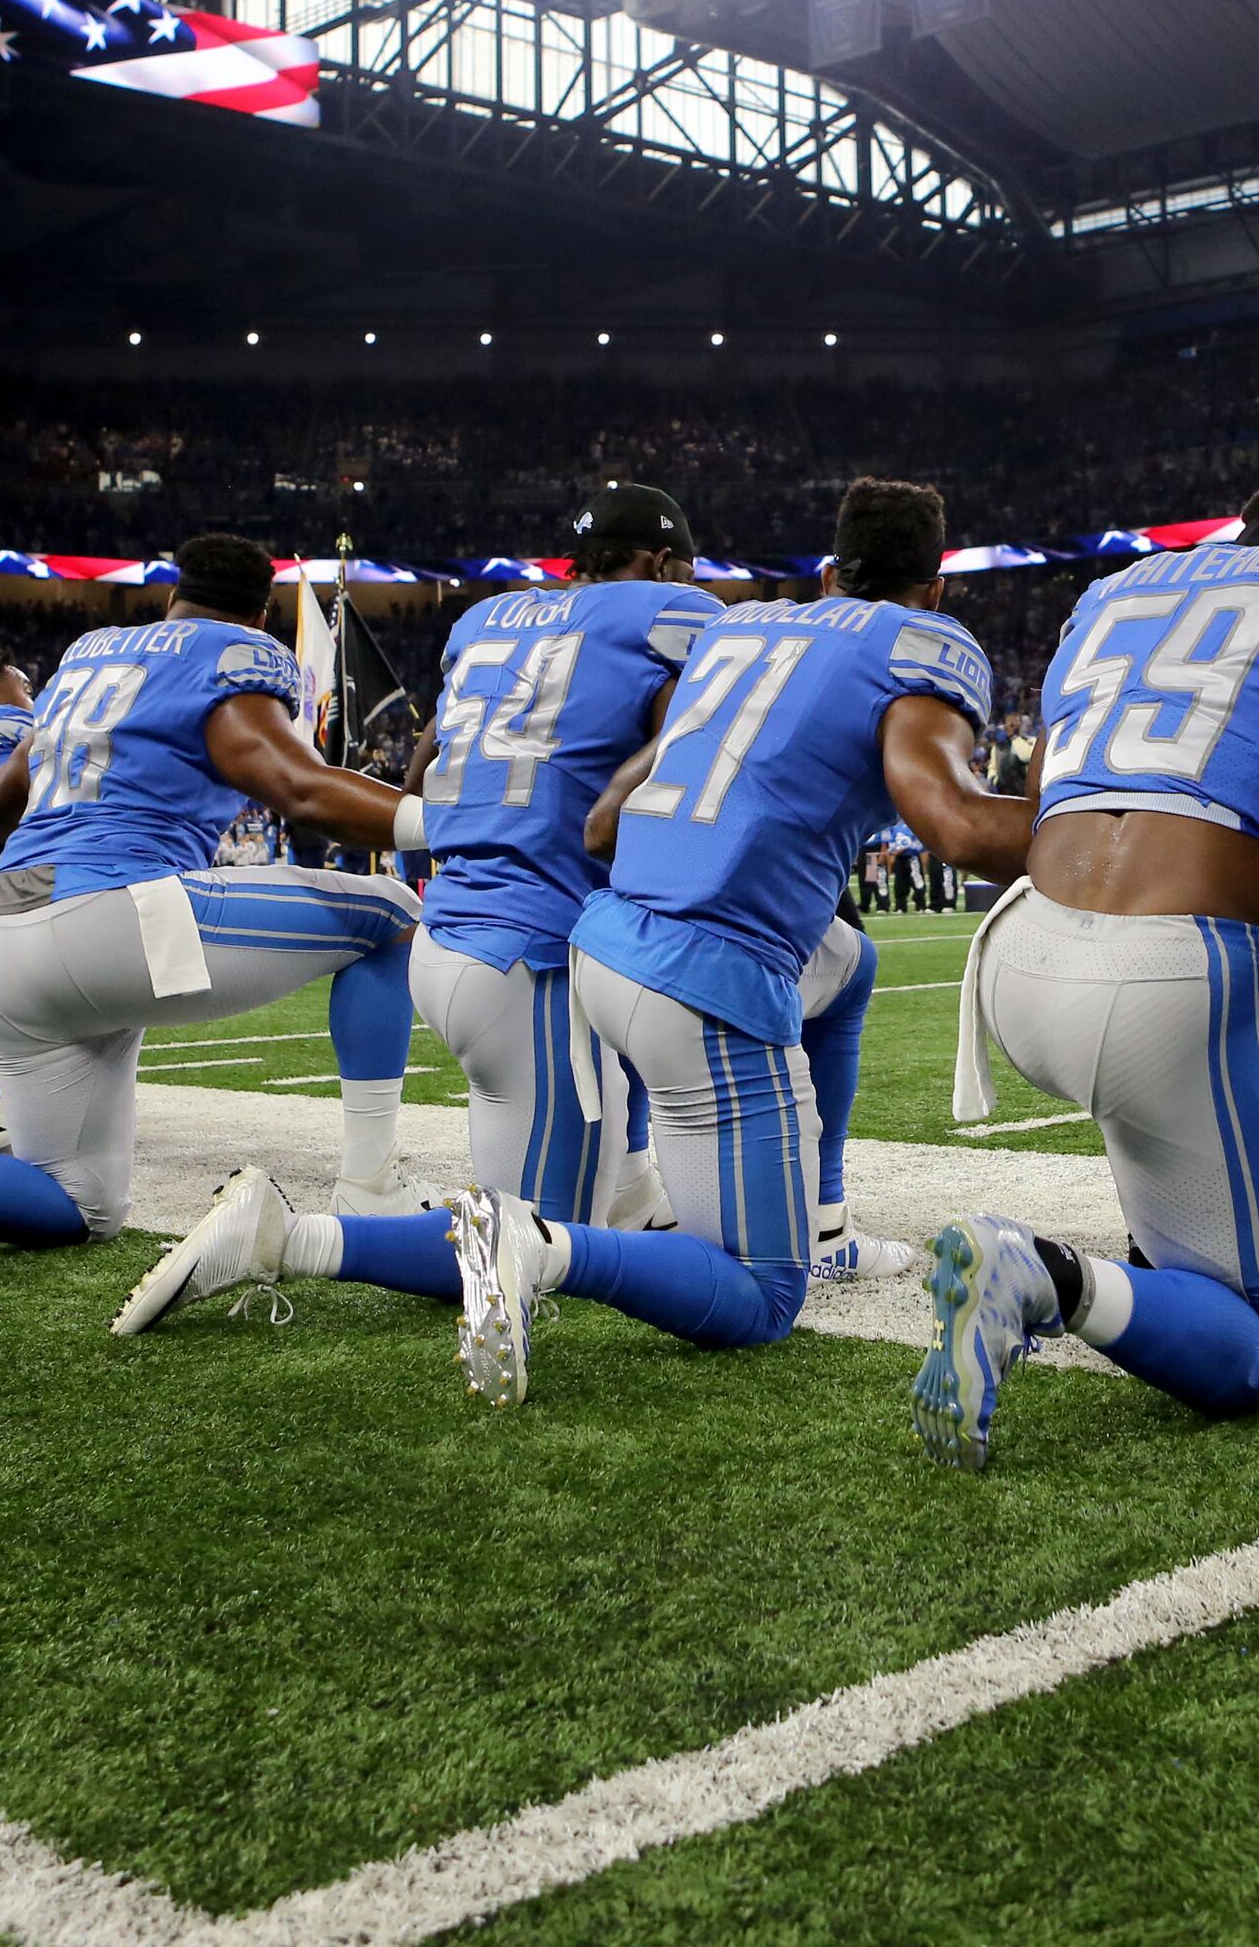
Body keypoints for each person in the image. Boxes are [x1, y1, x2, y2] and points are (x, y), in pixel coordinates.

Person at [117, 489, 905, 1338]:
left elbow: (418, 783)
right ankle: (286, 1236)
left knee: (837, 969)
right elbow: (693, 758)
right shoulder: (673, 614)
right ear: (667, 563)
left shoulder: (491, 620)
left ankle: (653, 1187)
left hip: (453, 935)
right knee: (526, 1240)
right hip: (533, 959)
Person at [909, 469, 1259, 1471]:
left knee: (1190, 1216)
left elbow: (1053, 800)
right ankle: (1038, 1274)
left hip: (1019, 948)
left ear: (1245, 534)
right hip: (1166, 977)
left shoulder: (1115, 592)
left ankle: (1145, 1265)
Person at [426, 480, 1029, 1408]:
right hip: (701, 980)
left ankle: (309, 1238)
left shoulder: (740, 628)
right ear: (937, 589)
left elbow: (601, 826)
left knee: (851, 963)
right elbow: (953, 825)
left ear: (829, 574)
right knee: (757, 1296)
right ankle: (540, 1246)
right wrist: (1128, 829)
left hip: (599, 946)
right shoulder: (921, 644)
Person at [0, 535, 424, 1294]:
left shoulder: (90, 657)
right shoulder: (235, 652)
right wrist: (440, 823)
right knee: (393, 912)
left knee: (80, 1203)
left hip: (1, 937)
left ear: (173, 592)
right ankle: (372, 1190)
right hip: (114, 914)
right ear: (260, 611)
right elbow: (300, 791)